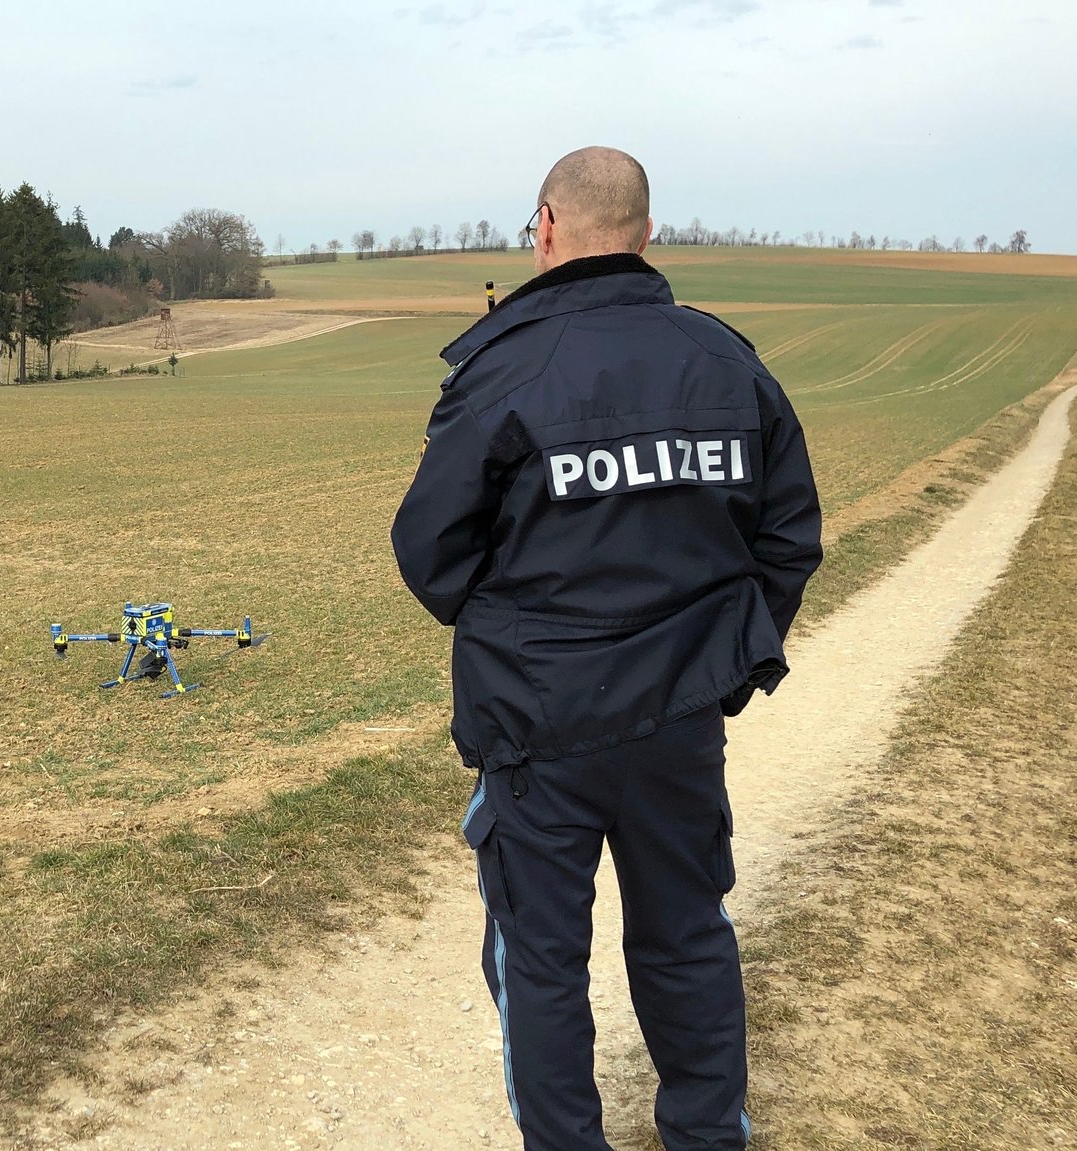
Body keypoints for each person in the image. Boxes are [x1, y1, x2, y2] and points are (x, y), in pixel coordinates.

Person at [390, 147, 823, 1150]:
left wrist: (517, 629)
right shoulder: (724, 360)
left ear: (544, 227)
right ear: (645, 235)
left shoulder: (502, 369)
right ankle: (707, 1133)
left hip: (542, 728)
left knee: (539, 962)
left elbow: (429, 553)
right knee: (684, 938)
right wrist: (722, 658)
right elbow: (786, 537)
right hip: (677, 720)